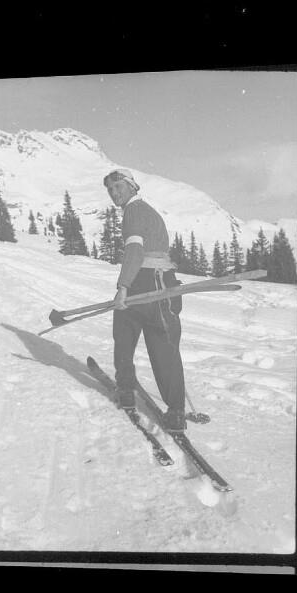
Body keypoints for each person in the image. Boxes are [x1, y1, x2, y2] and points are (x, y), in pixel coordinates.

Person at [103, 167, 187, 433]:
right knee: (163, 344)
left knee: (125, 333)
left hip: (144, 281)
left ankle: (126, 390)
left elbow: (135, 250)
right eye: (110, 189)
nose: (114, 193)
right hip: (164, 282)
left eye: (118, 187)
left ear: (132, 186)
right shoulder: (148, 211)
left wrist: (123, 287)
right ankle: (176, 412)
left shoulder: (133, 211)